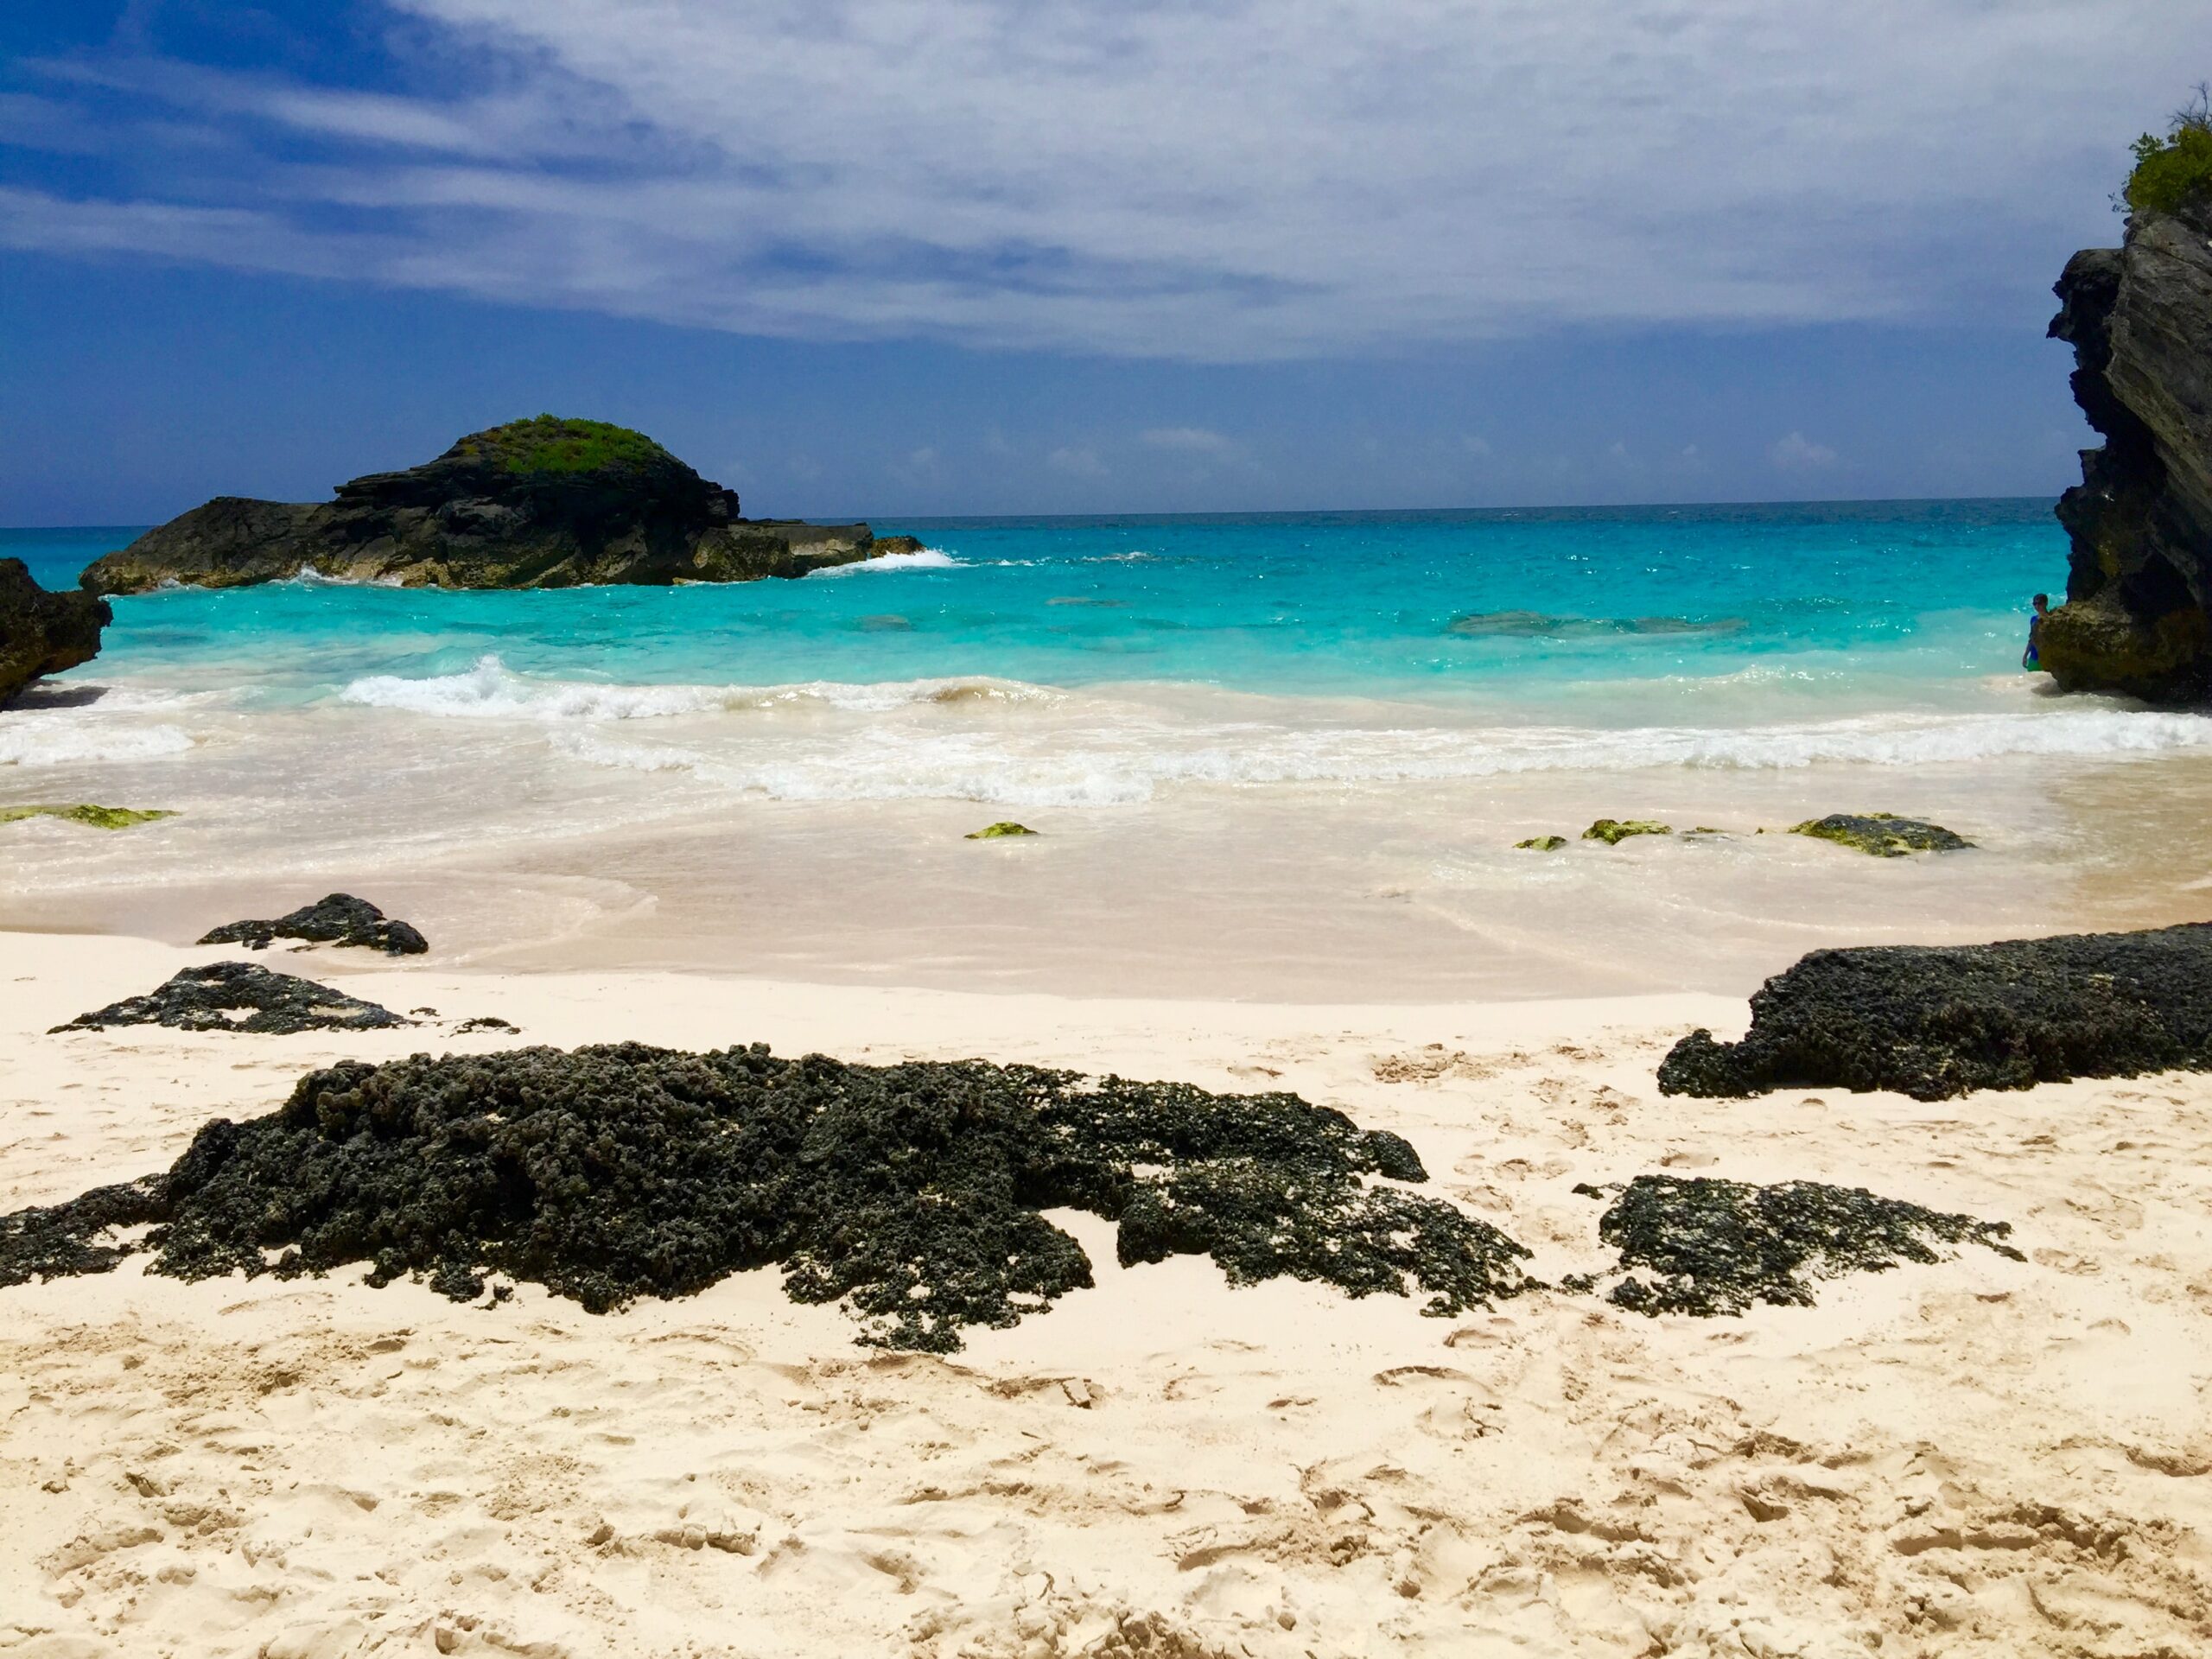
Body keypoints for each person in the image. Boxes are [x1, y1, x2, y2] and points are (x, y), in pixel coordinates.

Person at [2023, 592, 2050, 671]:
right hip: (2033, 657)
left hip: (2046, 658)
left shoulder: (2052, 619)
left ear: (2046, 603)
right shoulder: (2033, 619)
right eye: (2035, 604)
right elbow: (2031, 639)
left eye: (2040, 603)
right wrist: (2025, 655)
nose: (2037, 606)